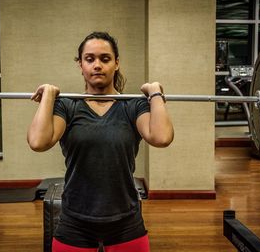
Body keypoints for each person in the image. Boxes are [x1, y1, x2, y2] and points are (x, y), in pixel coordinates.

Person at [27, 31, 174, 252]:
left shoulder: (132, 106)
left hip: (126, 219)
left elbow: (162, 138)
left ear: (116, 63)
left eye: (105, 59)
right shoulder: (68, 106)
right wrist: (49, 95)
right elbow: (38, 142)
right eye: (90, 59)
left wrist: (154, 92)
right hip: (75, 220)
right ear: (81, 65)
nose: (97, 65)